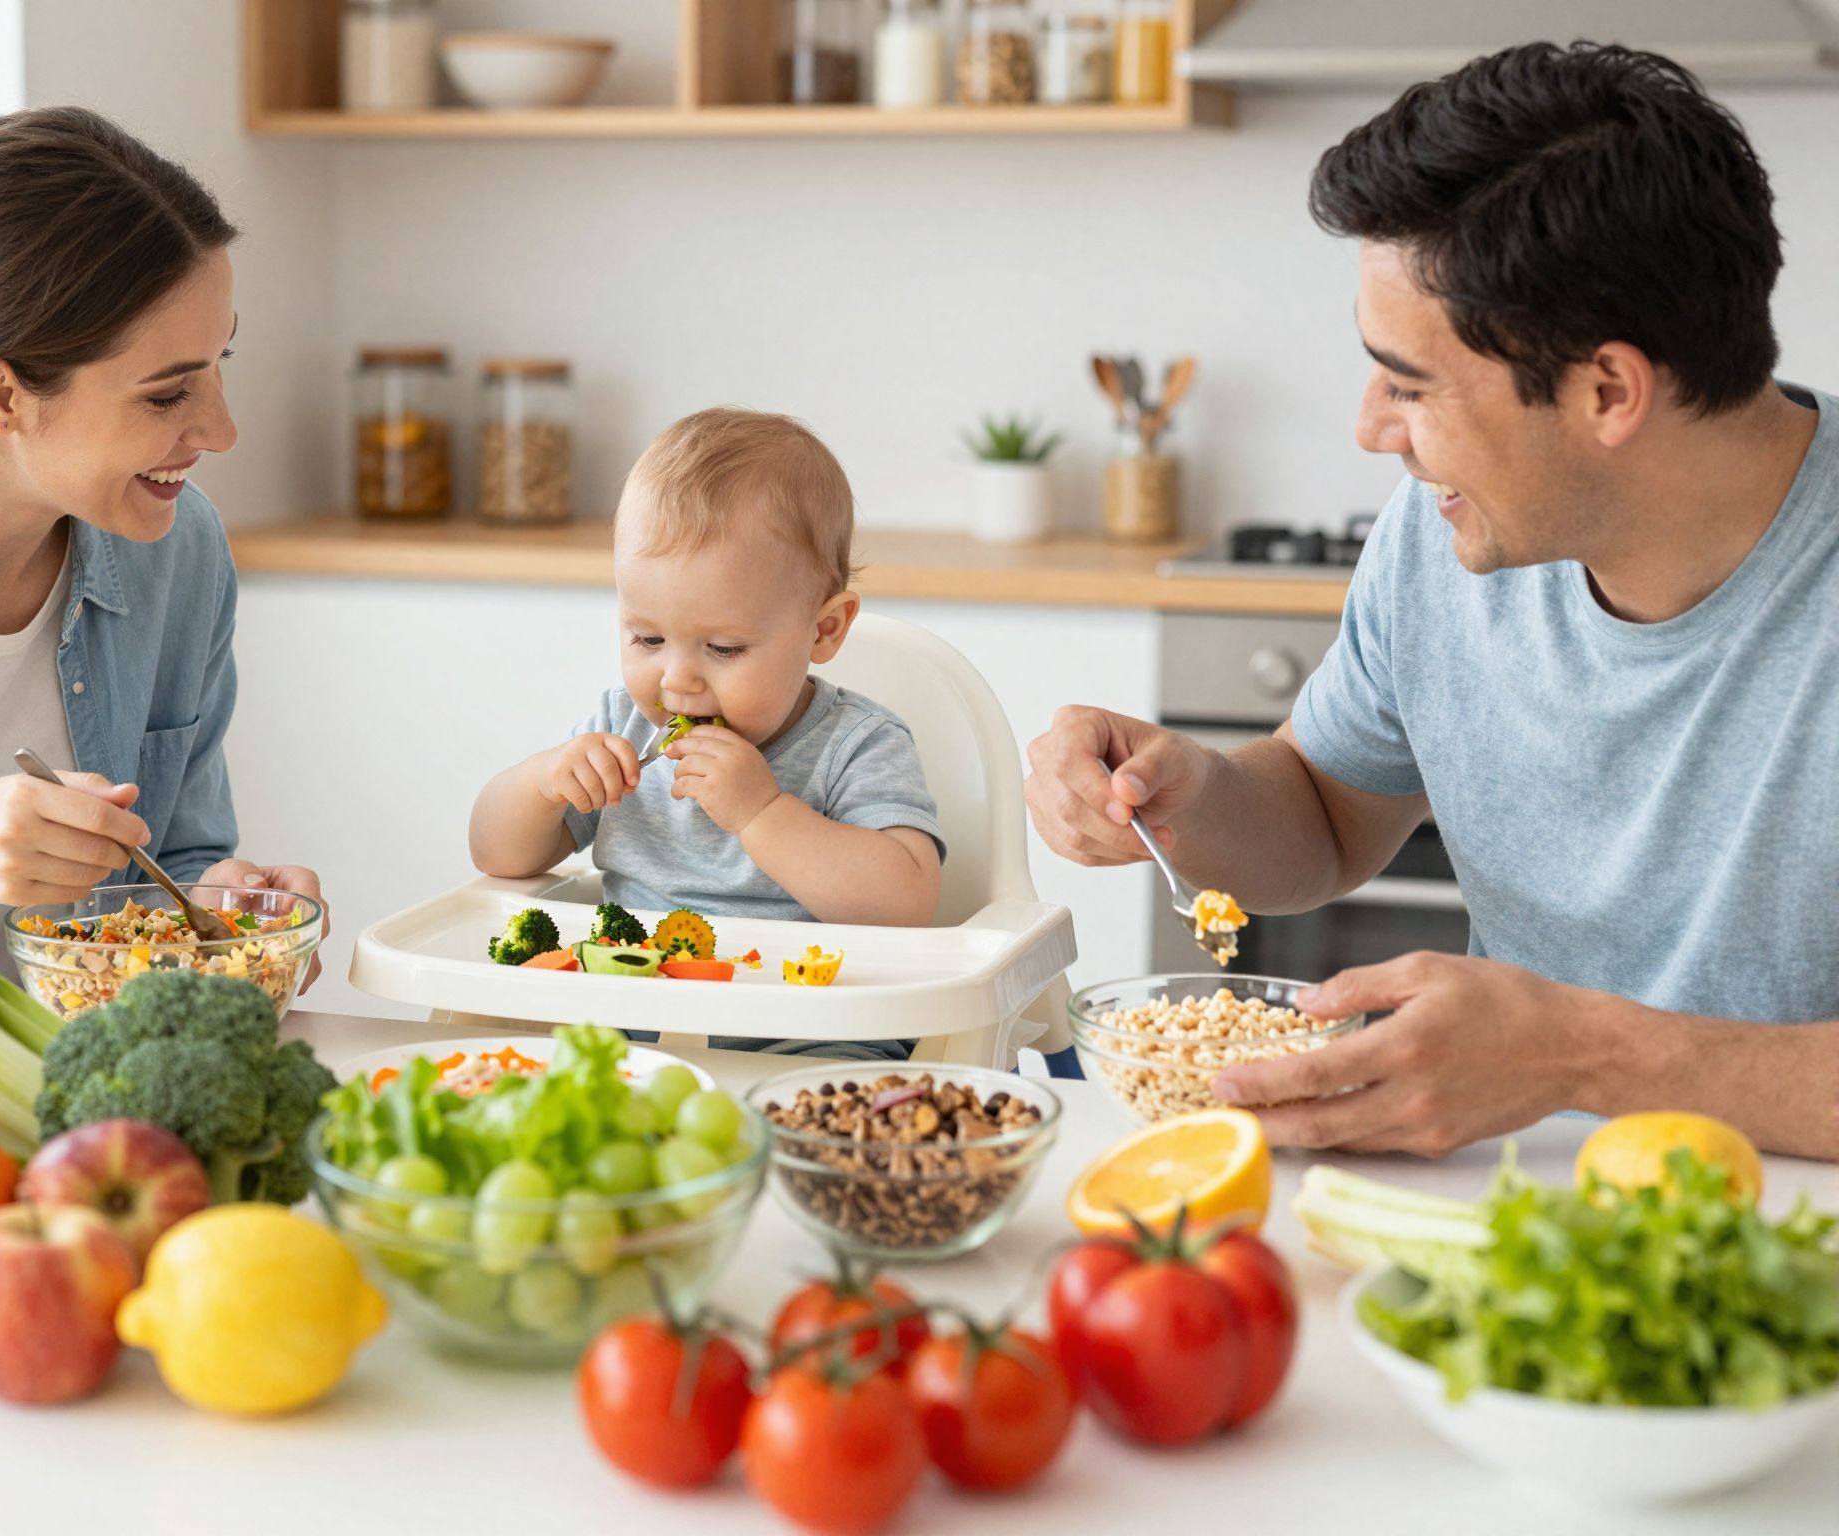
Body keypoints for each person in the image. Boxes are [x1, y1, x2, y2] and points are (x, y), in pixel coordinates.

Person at [1024, 43, 1839, 1160]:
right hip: (1509, 1214)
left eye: (1408, 384)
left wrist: (1579, 1056)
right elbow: (1320, 816)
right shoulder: (1445, 528)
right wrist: (1187, 797)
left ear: (1607, 390)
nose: (1371, 428)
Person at [0, 106, 322, 977]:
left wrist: (217, 903)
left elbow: (174, 865)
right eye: (165, 396)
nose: (222, 431)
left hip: (68, 1092)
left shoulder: (178, 553)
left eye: (219, 363)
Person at [469, 407, 944, 1059]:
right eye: (648, 639)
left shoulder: (857, 745)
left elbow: (905, 904)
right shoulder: (623, 727)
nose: (678, 681)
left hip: (807, 1035)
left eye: (723, 648)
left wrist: (763, 811)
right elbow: (497, 855)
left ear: (825, 629)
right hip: (627, 1029)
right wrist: (542, 781)